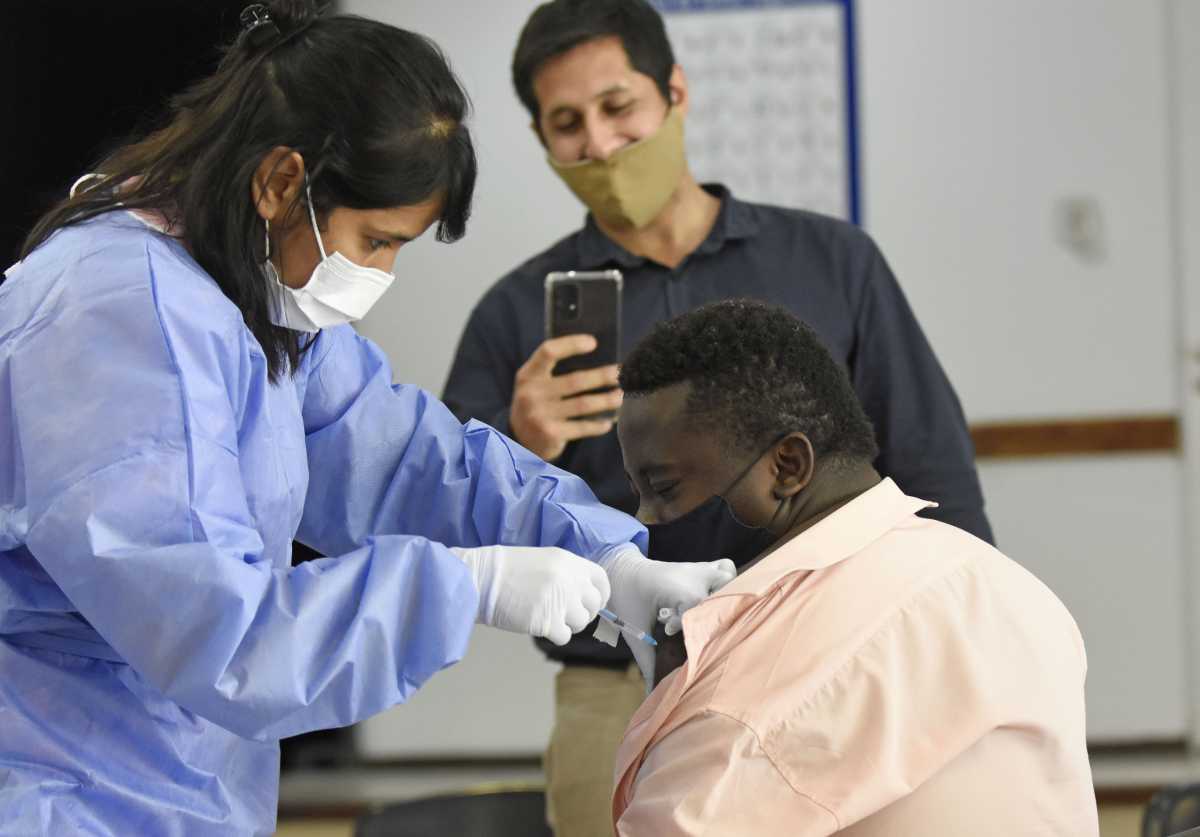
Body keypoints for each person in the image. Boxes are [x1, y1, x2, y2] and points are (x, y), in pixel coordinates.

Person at [0, 3, 734, 834]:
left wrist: (602, 551)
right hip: (64, 788)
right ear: (281, 182)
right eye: (377, 239)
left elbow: (406, 455)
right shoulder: (116, 315)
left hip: (177, 786)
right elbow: (217, 632)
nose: (380, 272)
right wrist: (463, 586)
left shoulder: (252, 293)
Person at [441, 1, 993, 833]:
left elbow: (932, 466)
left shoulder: (833, 265)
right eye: (567, 123)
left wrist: (963, 639)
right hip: (617, 687)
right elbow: (445, 528)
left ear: (674, 92)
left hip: (831, 662)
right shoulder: (514, 316)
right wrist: (521, 443)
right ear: (541, 137)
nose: (598, 142)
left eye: (618, 106)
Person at [609, 300, 1097, 836]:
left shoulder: (746, 707)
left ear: (787, 467)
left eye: (665, 488)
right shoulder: (1001, 584)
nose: (645, 520)